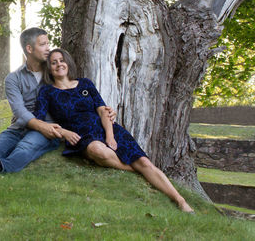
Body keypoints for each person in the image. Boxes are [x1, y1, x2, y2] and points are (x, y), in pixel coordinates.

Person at [34, 48, 194, 213]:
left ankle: (180, 200)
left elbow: (103, 111)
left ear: (68, 62)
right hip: (82, 135)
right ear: (49, 69)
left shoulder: (85, 84)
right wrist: (64, 132)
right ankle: (136, 171)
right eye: (54, 62)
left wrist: (110, 137)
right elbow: (38, 120)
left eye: (61, 60)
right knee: (98, 150)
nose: (59, 64)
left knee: (145, 162)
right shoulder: (47, 91)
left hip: (106, 128)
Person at [0, 28, 116, 174]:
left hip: (49, 129)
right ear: (29, 49)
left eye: (48, 43)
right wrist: (39, 125)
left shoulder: (55, 69)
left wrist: (105, 111)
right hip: (20, 125)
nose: (48, 48)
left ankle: (2, 167)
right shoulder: (13, 78)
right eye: (43, 44)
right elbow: (19, 111)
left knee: (26, 147)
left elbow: (77, 93)